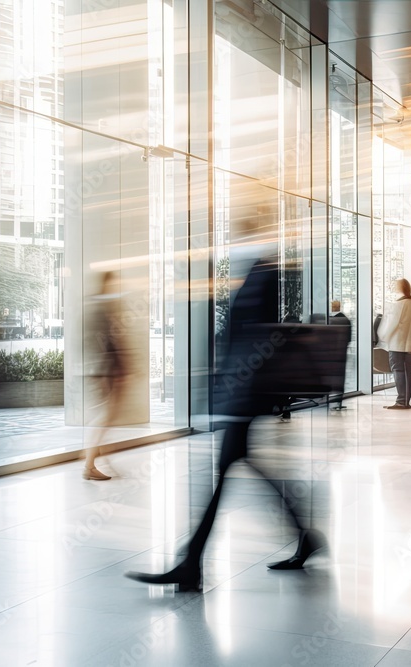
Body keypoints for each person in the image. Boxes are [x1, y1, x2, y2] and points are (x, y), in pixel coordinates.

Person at [125, 250, 328, 592]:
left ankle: (191, 563)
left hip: (243, 393)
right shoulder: (256, 268)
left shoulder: (263, 269)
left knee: (224, 476)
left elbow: (257, 338)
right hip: (239, 392)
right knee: (235, 469)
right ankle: (303, 534)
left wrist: (233, 394)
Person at [82, 271, 133, 481]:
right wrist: (115, 371)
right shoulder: (101, 308)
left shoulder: (96, 306)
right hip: (106, 372)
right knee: (105, 418)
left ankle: (94, 458)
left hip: (102, 370)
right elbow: (107, 343)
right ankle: (89, 464)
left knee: (105, 418)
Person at [377, 278, 411, 409]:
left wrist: (383, 338)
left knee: (398, 370)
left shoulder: (399, 304)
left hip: (397, 343)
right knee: (408, 372)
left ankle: (401, 400)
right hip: (410, 343)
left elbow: (393, 323)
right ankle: (406, 400)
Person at [328, 300, 351, 410]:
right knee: (339, 378)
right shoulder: (345, 319)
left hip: (329, 355)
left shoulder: (329, 320)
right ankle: (338, 403)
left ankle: (329, 401)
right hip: (341, 354)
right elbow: (349, 339)